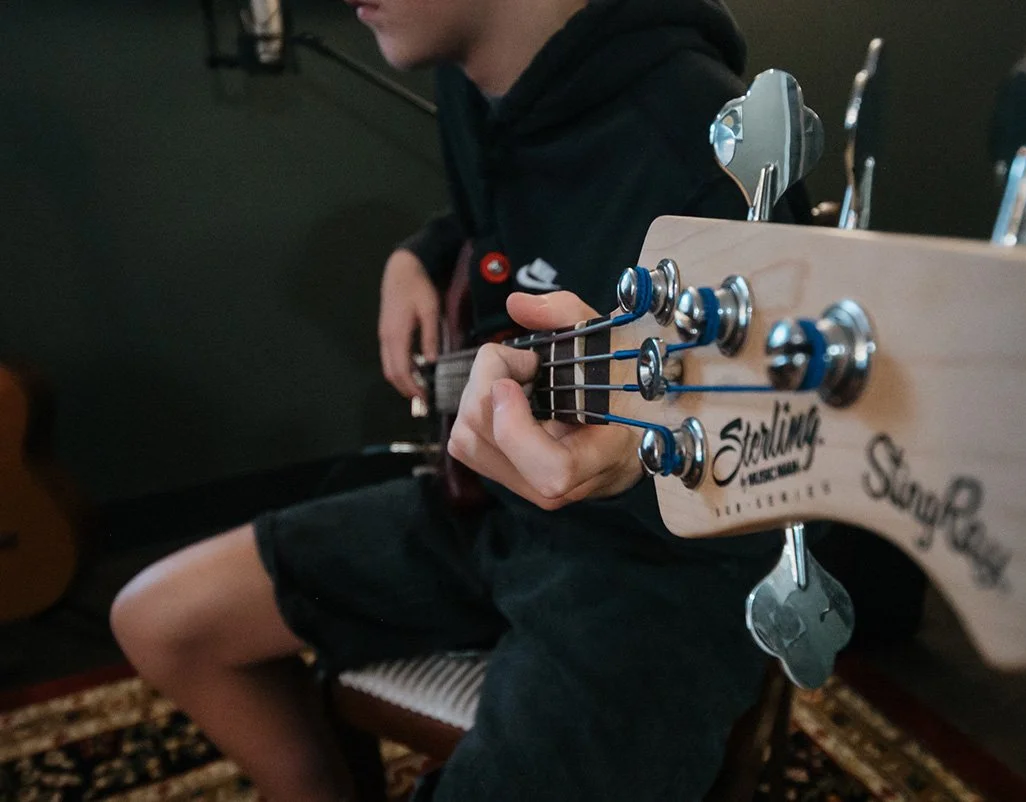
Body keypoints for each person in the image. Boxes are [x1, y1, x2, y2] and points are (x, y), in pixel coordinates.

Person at [111, 1, 797, 799]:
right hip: (494, 515)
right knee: (159, 620)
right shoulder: (476, 82)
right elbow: (510, 225)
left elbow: (760, 431)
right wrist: (422, 252)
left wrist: (627, 450)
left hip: (649, 577)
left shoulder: (706, 144)